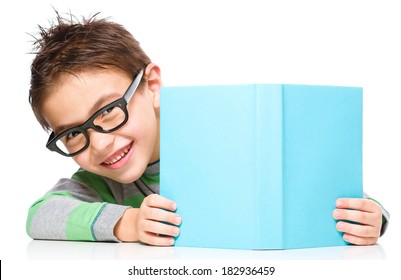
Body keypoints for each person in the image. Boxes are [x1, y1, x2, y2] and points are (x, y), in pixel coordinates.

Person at [26, 13, 389, 246]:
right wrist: (129, 222)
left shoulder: (219, 144)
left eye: (107, 111)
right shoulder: (99, 184)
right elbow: (40, 215)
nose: (101, 143)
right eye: (73, 133)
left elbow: (322, 194)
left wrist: (372, 216)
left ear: (151, 86)